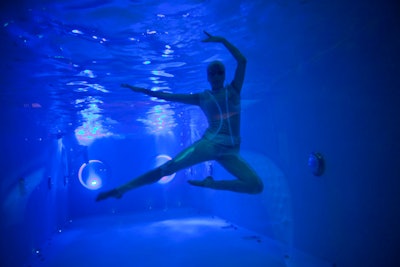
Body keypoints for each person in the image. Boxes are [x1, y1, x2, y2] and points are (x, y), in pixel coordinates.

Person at [96, 31, 263, 201]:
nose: (216, 76)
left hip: (231, 151)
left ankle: (211, 183)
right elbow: (169, 96)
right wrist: (142, 90)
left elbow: (242, 61)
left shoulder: (233, 91)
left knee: (255, 186)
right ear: (208, 77)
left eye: (219, 72)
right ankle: (121, 189)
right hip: (209, 145)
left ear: (224, 74)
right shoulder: (202, 97)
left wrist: (222, 39)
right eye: (212, 73)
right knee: (167, 169)